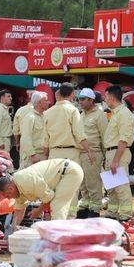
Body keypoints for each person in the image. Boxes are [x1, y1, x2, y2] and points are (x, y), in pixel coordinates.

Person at [43, 82, 94, 217]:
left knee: (54, 188)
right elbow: (79, 134)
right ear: (72, 95)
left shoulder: (48, 112)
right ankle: (70, 218)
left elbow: (45, 140)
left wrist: (45, 158)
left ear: (59, 94)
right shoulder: (72, 110)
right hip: (70, 154)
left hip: (54, 154)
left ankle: (55, 217)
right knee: (72, 187)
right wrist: (89, 151)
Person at [0, 158, 84, 228]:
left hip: (70, 172)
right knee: (57, 209)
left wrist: (39, 210)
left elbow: (48, 197)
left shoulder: (25, 180)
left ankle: (58, 240)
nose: (9, 199)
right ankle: (62, 236)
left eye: (8, 196)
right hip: (62, 175)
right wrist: (12, 229)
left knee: (57, 206)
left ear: (10, 188)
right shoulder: (17, 188)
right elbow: (19, 210)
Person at [103, 85, 134, 220]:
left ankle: (125, 215)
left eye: (105, 97)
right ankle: (112, 212)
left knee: (121, 187)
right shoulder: (116, 113)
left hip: (118, 153)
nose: (105, 100)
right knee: (112, 188)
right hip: (112, 153)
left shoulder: (124, 114)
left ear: (111, 98)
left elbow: (123, 140)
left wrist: (116, 160)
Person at [77, 88, 108, 218]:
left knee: (93, 183)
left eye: (83, 99)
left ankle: (94, 210)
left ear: (91, 100)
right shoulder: (81, 114)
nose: (81, 102)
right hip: (80, 153)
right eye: (79, 99)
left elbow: (105, 136)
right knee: (82, 183)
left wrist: (106, 157)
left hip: (93, 153)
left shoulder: (99, 115)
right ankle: (85, 207)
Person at [19, 91, 48, 169]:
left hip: (43, 156)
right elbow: (25, 138)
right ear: (39, 103)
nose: (48, 102)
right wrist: (32, 155)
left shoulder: (44, 116)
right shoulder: (30, 117)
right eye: (45, 100)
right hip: (34, 157)